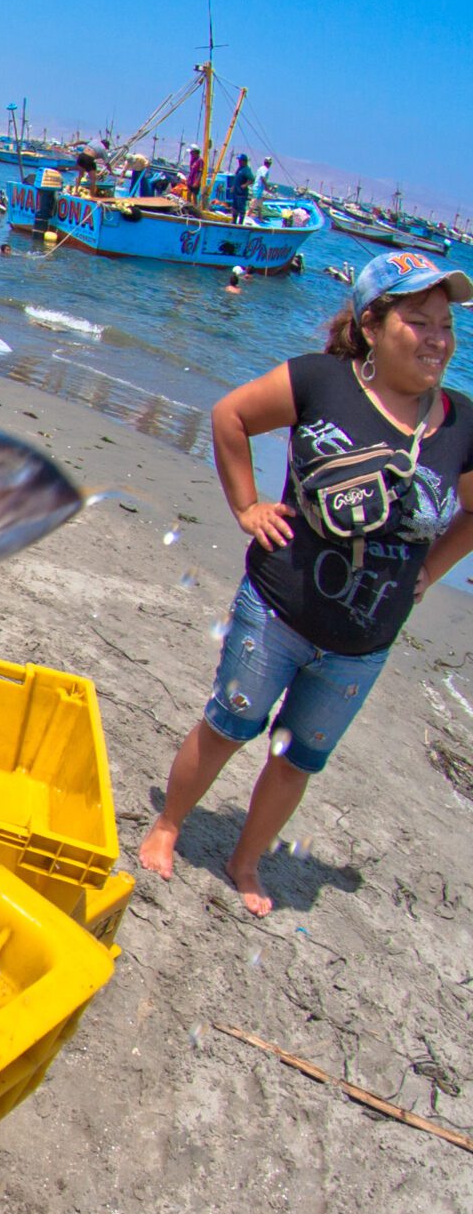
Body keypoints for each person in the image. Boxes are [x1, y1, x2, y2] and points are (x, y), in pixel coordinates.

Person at [139, 253, 473, 914]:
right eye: (419, 321)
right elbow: (230, 417)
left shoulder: (461, 423)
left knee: (297, 760)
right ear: (372, 325)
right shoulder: (321, 382)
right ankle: (169, 824)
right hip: (275, 612)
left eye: (446, 324)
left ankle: (246, 861)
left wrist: (430, 570)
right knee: (229, 725)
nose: (438, 338)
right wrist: (247, 507)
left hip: (362, 644)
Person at [227, 153, 255, 224]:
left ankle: (240, 223)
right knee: (234, 208)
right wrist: (233, 187)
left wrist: (245, 185)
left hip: (241, 193)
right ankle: (234, 221)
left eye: (240, 161)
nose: (239, 162)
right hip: (236, 192)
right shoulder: (239, 168)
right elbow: (236, 178)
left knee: (241, 209)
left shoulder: (246, 169)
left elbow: (252, 179)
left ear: (244, 161)